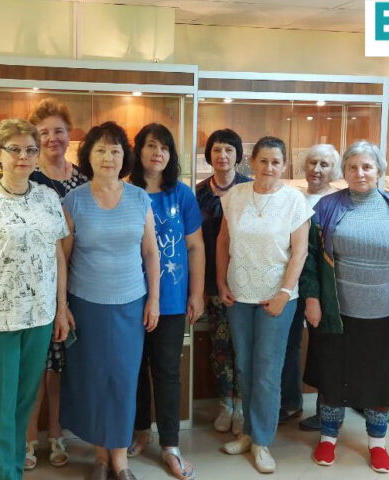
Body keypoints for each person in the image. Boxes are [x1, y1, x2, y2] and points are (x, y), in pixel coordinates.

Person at [300, 140, 389, 474]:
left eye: (367, 167)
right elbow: (309, 259)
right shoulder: (327, 208)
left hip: (387, 317)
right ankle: (328, 438)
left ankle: (377, 444)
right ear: (344, 171)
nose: (360, 173)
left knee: (379, 382)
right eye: (353, 167)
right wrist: (312, 298)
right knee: (333, 378)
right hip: (336, 314)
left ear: (379, 171)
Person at [0, 118, 70, 480]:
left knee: (23, 408)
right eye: (15, 149)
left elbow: (58, 255)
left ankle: (13, 473)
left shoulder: (48, 198)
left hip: (39, 318)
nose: (23, 156)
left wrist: (61, 309)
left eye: (30, 150)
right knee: (0, 411)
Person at [60, 121, 160, 480]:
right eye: (100, 150)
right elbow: (62, 258)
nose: (108, 157)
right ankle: (100, 456)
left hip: (130, 304)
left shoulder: (139, 198)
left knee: (123, 380)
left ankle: (120, 458)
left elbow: (151, 253)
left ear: (124, 157)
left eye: (115, 150)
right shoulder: (73, 200)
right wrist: (61, 306)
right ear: (88, 155)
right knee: (93, 380)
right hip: (85, 305)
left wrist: (154, 300)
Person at [216, 136, 313, 474]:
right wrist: (221, 282)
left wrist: (285, 293)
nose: (269, 167)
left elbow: (300, 251)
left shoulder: (295, 201)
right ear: (252, 163)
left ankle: (262, 441)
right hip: (239, 295)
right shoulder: (235, 196)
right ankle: (248, 432)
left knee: (268, 371)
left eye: (276, 162)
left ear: (284, 165)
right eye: (263, 161)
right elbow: (223, 241)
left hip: (277, 298)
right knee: (245, 366)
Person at [127, 123, 204, 479]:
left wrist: (196, 293)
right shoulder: (126, 192)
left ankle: (170, 444)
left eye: (165, 148)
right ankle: (140, 429)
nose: (158, 153)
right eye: (151, 145)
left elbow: (195, 246)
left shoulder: (182, 195)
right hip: (130, 297)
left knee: (168, 371)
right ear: (138, 150)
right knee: (135, 368)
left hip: (172, 301)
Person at [24, 97, 87, 470]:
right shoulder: (28, 179)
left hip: (77, 284)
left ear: (70, 134)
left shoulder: (83, 180)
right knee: (35, 366)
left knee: (60, 367)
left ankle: (57, 434)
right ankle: (29, 439)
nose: (52, 139)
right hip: (35, 286)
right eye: (44, 133)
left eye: (59, 131)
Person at [278, 144, 341, 429]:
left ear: (334, 170)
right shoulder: (294, 198)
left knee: (325, 348)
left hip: (324, 287)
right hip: (291, 282)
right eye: (312, 162)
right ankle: (290, 403)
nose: (316, 169)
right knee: (288, 344)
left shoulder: (338, 201)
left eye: (324, 164)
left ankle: (327, 412)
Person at [195, 128, 251, 435]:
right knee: (219, 345)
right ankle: (225, 404)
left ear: (238, 155)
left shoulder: (250, 189)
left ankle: (241, 405)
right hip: (212, 282)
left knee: (242, 344)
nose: (223, 155)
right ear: (209, 155)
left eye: (229, 149)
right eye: (217, 150)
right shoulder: (200, 192)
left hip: (245, 280)